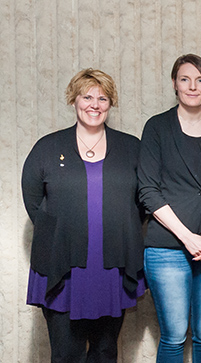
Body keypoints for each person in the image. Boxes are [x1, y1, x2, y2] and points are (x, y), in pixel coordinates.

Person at [21, 68, 145, 363]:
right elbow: (34, 200)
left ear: (111, 103)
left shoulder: (131, 147)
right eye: (87, 96)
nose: (95, 104)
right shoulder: (47, 148)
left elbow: (142, 202)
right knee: (66, 354)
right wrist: (64, 228)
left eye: (103, 98)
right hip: (63, 265)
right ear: (74, 100)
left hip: (112, 266)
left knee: (105, 352)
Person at [138, 54, 201, 363]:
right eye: (185, 79)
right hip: (167, 247)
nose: (192, 86)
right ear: (174, 84)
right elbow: (148, 191)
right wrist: (187, 237)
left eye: (200, 80)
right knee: (174, 334)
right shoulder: (157, 127)